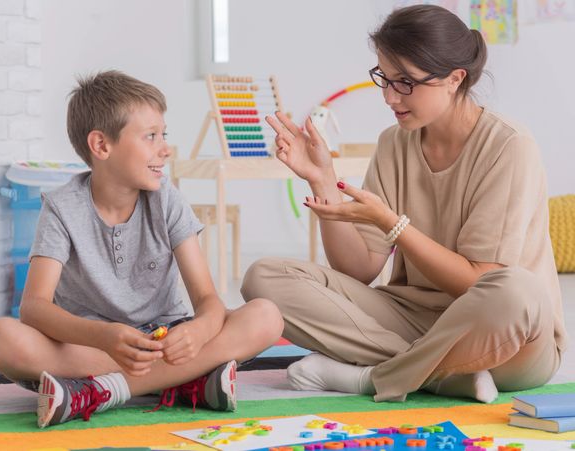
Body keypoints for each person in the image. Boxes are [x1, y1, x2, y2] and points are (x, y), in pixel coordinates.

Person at [241, 5, 567, 403]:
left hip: (505, 338)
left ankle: (370, 377)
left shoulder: (509, 146)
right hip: (414, 321)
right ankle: (439, 376)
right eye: (384, 78)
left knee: (517, 290)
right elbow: (359, 269)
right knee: (265, 277)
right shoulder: (393, 143)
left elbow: (475, 282)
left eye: (405, 83)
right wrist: (323, 179)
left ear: (454, 78)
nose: (389, 96)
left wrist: (392, 224)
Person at [0, 71, 283, 428]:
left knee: (266, 316)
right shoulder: (62, 208)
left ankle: (100, 391)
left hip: (165, 340)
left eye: (163, 134)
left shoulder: (167, 200)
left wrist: (200, 331)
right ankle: (186, 381)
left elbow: (207, 299)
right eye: (151, 136)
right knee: (0, 338)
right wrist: (103, 337)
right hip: (91, 346)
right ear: (101, 146)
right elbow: (34, 308)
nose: (165, 148)